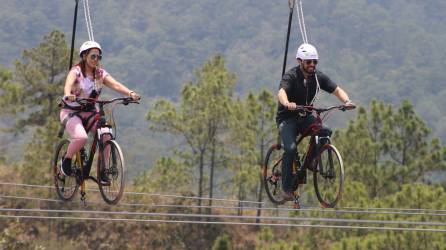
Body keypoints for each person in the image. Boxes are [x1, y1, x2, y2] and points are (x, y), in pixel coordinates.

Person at [276, 43, 355, 200]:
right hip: (287, 118)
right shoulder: (291, 76)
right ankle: (286, 188)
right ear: (300, 61)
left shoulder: (318, 77)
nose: (312, 65)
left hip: (304, 116)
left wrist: (347, 101)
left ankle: (311, 161)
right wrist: (287, 104)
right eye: (308, 62)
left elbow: (337, 89)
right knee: (291, 150)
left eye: (315, 62)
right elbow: (281, 92)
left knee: (324, 131)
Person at [59, 41, 140, 181]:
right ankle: (66, 160)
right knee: (81, 138)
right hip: (71, 112)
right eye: (93, 56)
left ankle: (103, 171)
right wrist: (68, 94)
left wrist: (130, 93)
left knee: (107, 134)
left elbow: (115, 84)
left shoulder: (100, 74)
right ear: (84, 56)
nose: (96, 60)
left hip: (90, 113)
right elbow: (68, 84)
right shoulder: (76, 71)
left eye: (98, 57)